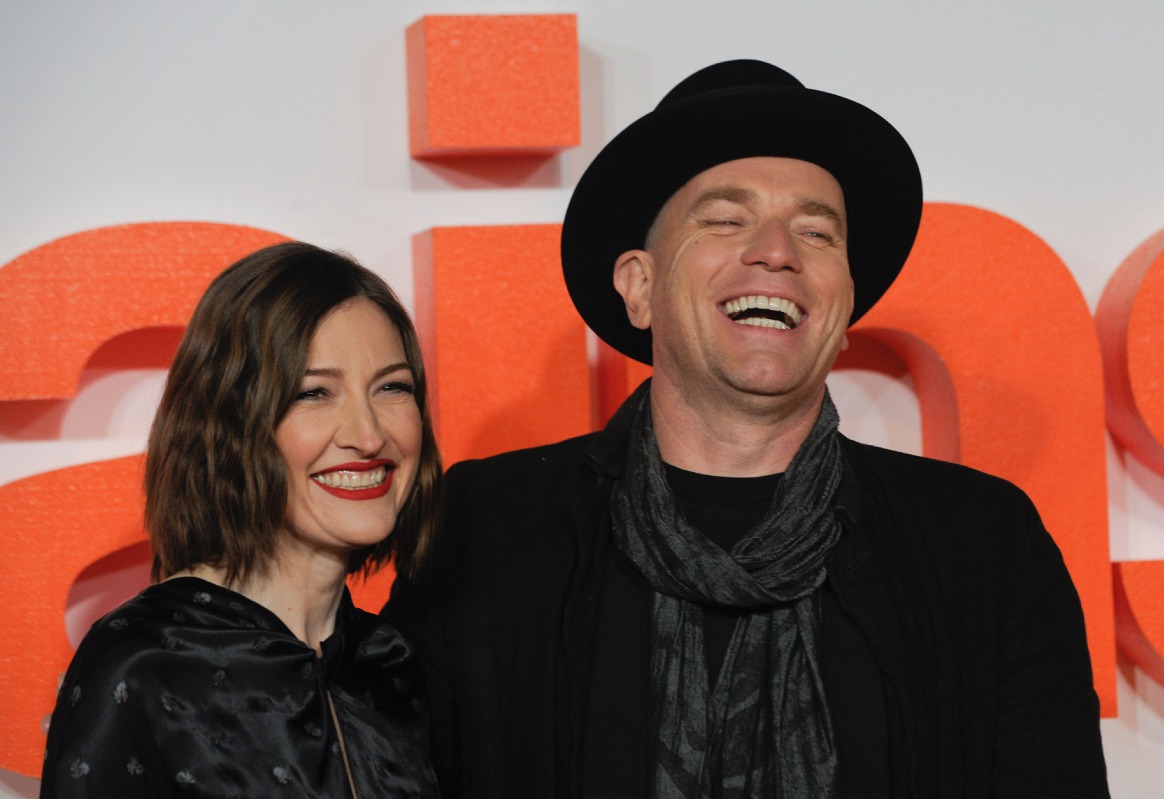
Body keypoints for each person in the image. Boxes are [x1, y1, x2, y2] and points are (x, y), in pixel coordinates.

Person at [384, 59, 1110, 798]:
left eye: (816, 232)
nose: (777, 251)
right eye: (725, 219)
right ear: (640, 286)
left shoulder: (981, 543)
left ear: (846, 303)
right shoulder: (486, 528)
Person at [41, 242, 442, 798]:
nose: (369, 436)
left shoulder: (390, 663)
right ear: (230, 424)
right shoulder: (145, 663)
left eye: (393, 387)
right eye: (314, 393)